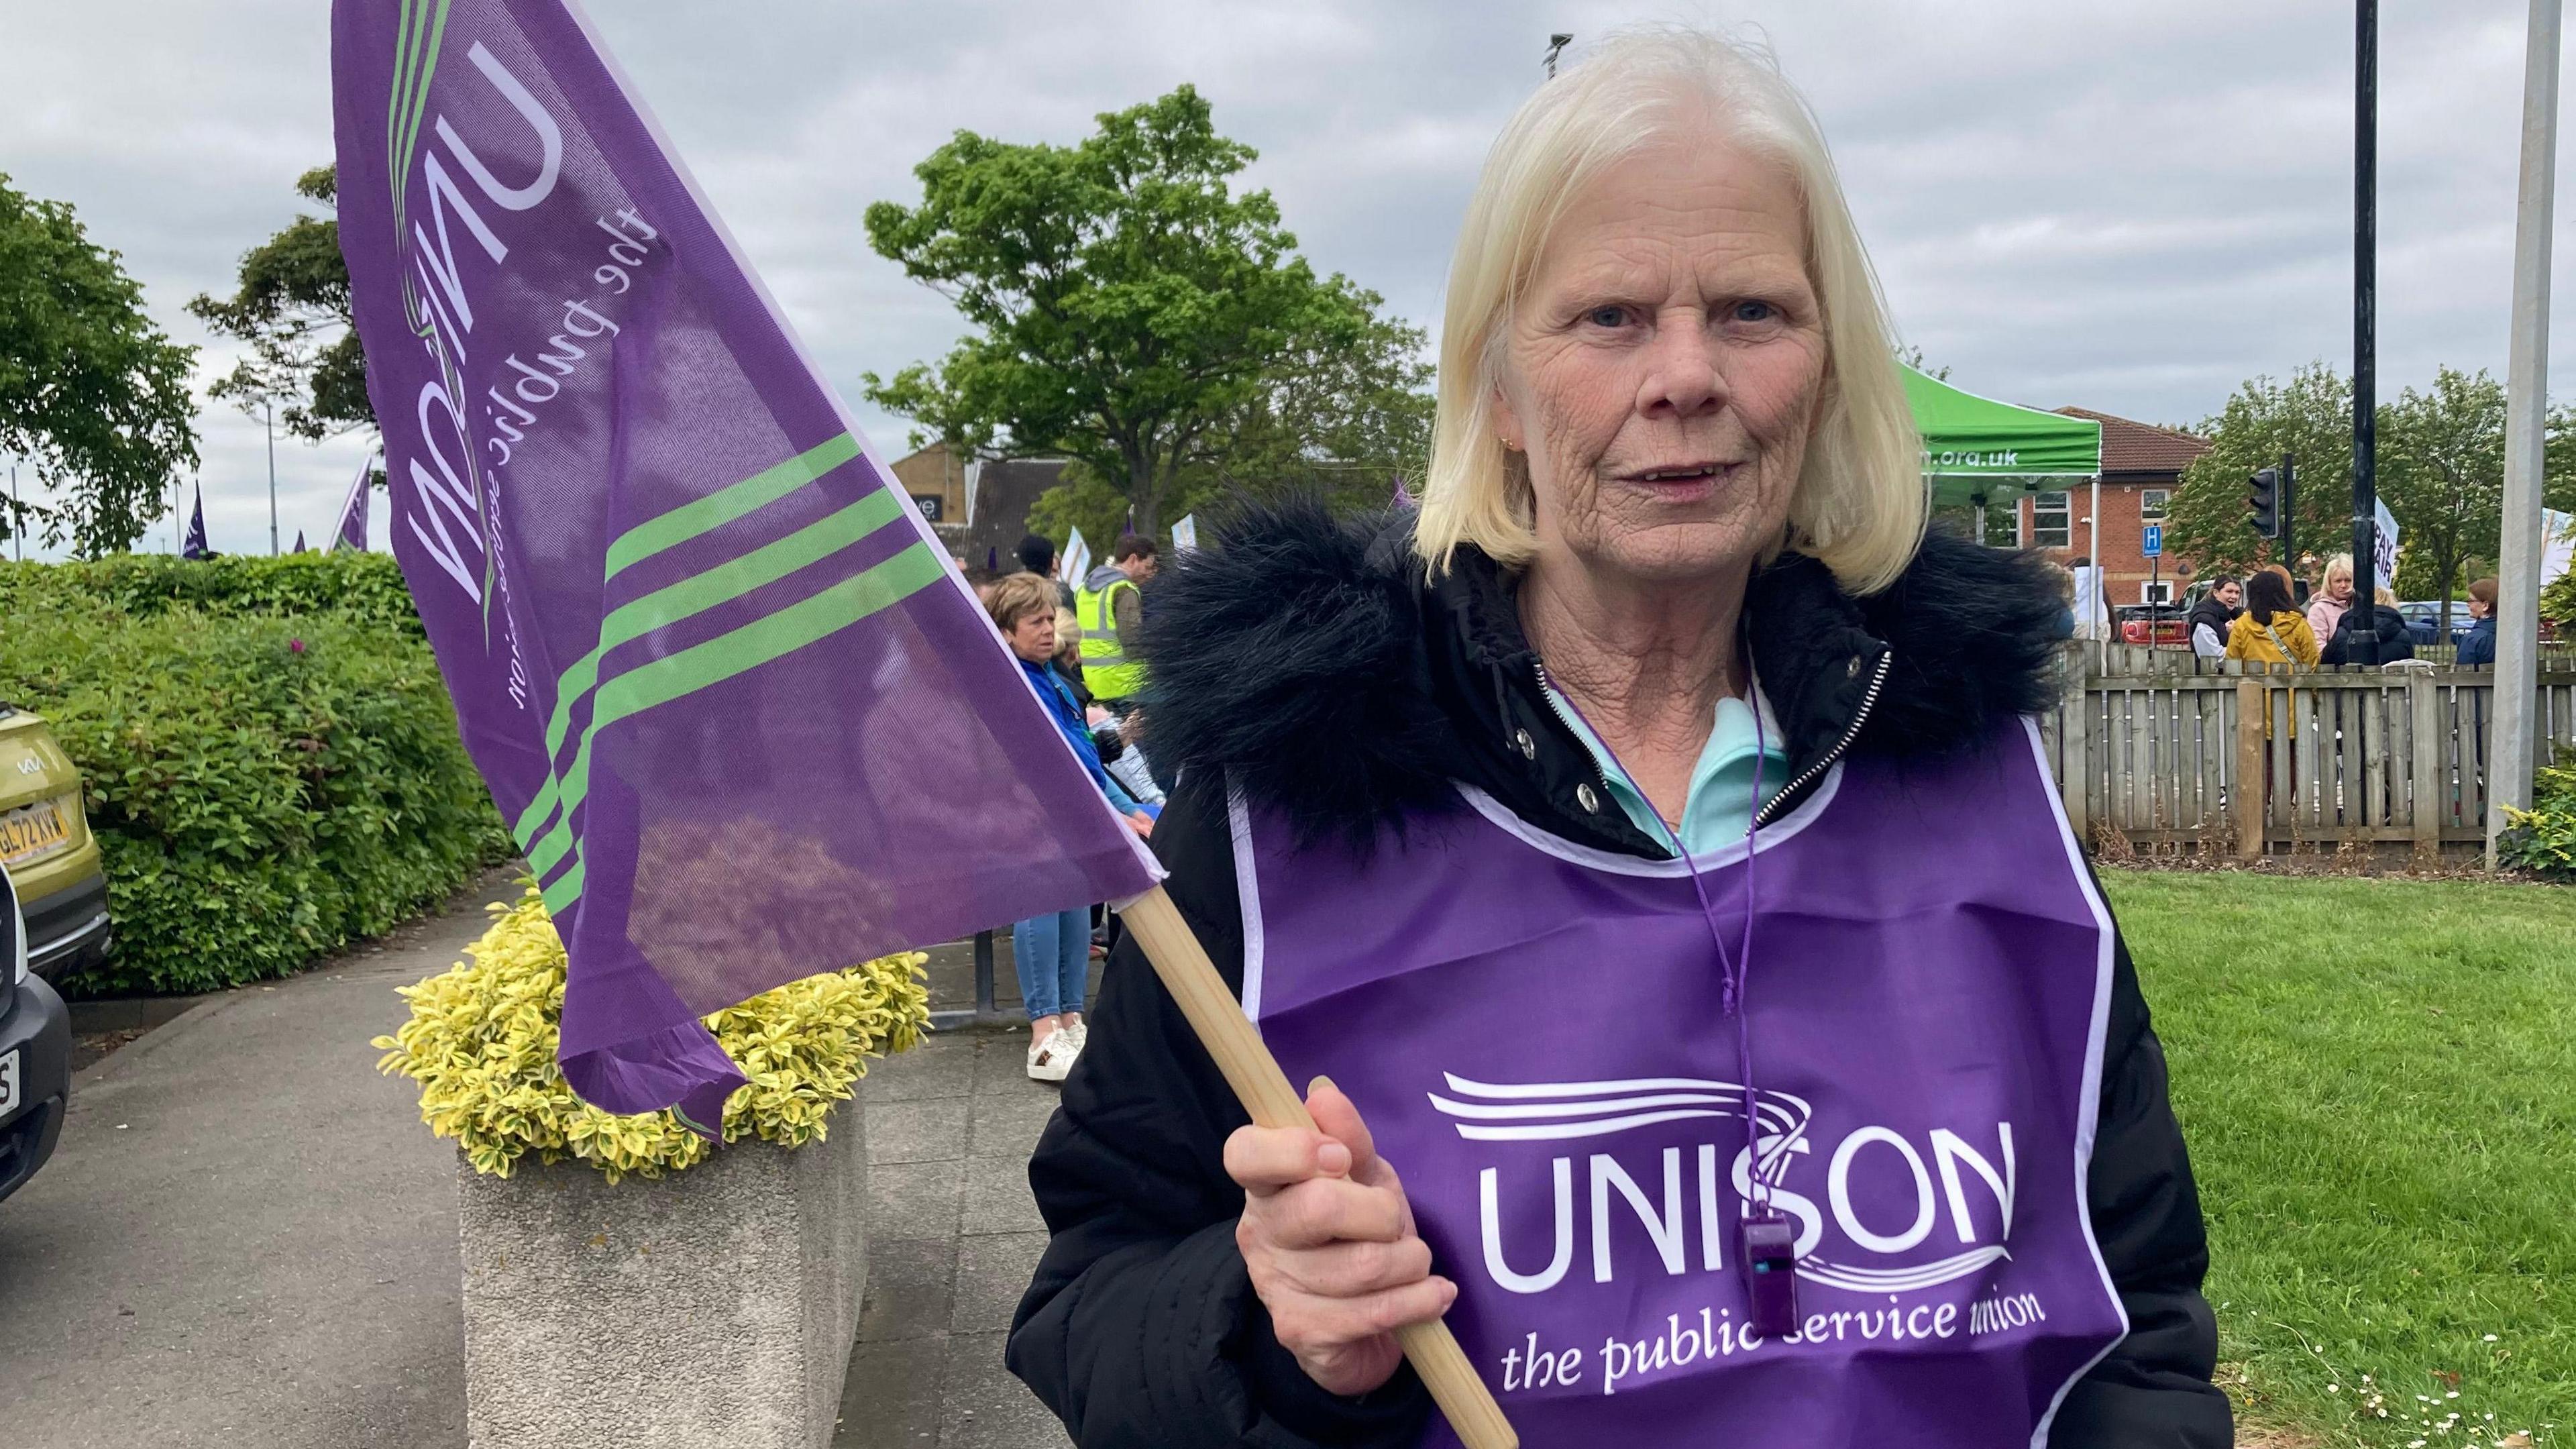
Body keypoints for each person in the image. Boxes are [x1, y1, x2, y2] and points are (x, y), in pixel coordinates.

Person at [1009, 30, 2229, 1448]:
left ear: (1829, 372)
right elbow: (1087, 1297)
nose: (1687, 377)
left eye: (1757, 311)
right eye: (1609, 318)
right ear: (1498, 394)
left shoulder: (1970, 764)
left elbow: (2134, 1326)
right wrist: (1264, 1322)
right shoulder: (1292, 803)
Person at [984, 573, 1152, 1082]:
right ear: (1008, 631)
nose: (1047, 629)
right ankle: (1042, 1034)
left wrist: (1130, 805)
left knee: (1078, 903)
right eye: (1034, 621)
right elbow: (1042, 767)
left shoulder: (1052, 677)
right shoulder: (1010, 683)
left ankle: (1070, 1019)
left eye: (1050, 619)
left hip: (1070, 815)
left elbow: (1083, 760)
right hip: (1025, 821)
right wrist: (1117, 813)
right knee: (1044, 898)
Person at [1075, 534, 1159, 710]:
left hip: (1095, 685)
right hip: (1128, 685)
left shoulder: (1083, 589)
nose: (1150, 574)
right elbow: (1133, 643)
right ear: (1133, 559)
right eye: (1148, 566)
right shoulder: (1124, 590)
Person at [2226, 568, 2320, 667]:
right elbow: (2313, 661)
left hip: (2253, 682)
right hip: (2292, 682)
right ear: (2283, 592)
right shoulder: (2299, 624)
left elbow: (2232, 663)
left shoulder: (2241, 626)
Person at [2322, 586, 2414, 665]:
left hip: (2346, 684)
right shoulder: (2403, 637)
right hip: (2391, 685)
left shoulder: (2341, 634)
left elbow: (2325, 663)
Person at [1018, 533, 1077, 608]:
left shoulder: (1007, 595)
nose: (1052, 575)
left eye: (1055, 571)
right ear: (1049, 566)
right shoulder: (1063, 596)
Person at [2188, 576, 2241, 659]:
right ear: (2216, 593)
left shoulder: (2238, 616)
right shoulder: (2204, 619)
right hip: (2210, 671)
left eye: (2237, 592)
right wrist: (2244, 650)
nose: (2234, 596)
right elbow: (2212, 656)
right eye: (2229, 591)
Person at [2306, 553, 2354, 643]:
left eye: (2348, 580)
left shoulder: (2363, 607)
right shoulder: (2319, 610)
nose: (2343, 585)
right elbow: (2318, 648)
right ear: (2329, 583)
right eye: (2338, 581)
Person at [2455, 576, 2500, 665]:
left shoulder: (2472, 640)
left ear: (2485, 605)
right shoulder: (2513, 636)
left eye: (2470, 601)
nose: (2468, 605)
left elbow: (2462, 675)